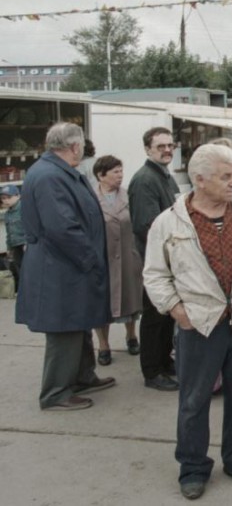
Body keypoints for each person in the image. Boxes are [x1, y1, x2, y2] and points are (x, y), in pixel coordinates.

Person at [142, 144, 232, 500]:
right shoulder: (169, 223)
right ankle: (192, 468)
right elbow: (154, 275)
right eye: (225, 177)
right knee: (194, 401)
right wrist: (176, 310)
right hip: (199, 326)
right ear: (199, 180)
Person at [15, 123, 115, 411]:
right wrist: (90, 259)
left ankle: (82, 377)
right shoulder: (49, 176)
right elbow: (62, 228)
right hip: (61, 267)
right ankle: (56, 393)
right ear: (74, 146)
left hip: (68, 264)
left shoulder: (56, 171)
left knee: (78, 322)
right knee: (64, 329)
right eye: (81, 144)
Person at [128, 126, 181, 391]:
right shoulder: (145, 179)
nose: (167, 150)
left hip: (170, 260)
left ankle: (163, 361)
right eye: (161, 146)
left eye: (170, 145)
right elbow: (146, 225)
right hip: (156, 261)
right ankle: (152, 371)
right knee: (154, 317)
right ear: (148, 148)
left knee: (167, 316)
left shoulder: (165, 176)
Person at [91, 156, 143, 366]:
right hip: (103, 258)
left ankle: (131, 336)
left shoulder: (129, 195)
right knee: (102, 305)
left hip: (127, 256)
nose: (120, 176)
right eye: (115, 172)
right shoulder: (90, 198)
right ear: (100, 175)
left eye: (121, 171)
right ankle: (103, 345)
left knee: (130, 300)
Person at [1, 185, 24, 291]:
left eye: (8, 197)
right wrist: (9, 248)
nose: (6, 201)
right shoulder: (7, 214)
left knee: (31, 270)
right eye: (3, 198)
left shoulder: (25, 209)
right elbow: (9, 233)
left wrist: (29, 242)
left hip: (26, 245)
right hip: (15, 246)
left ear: (18, 196)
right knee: (19, 271)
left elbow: (32, 226)